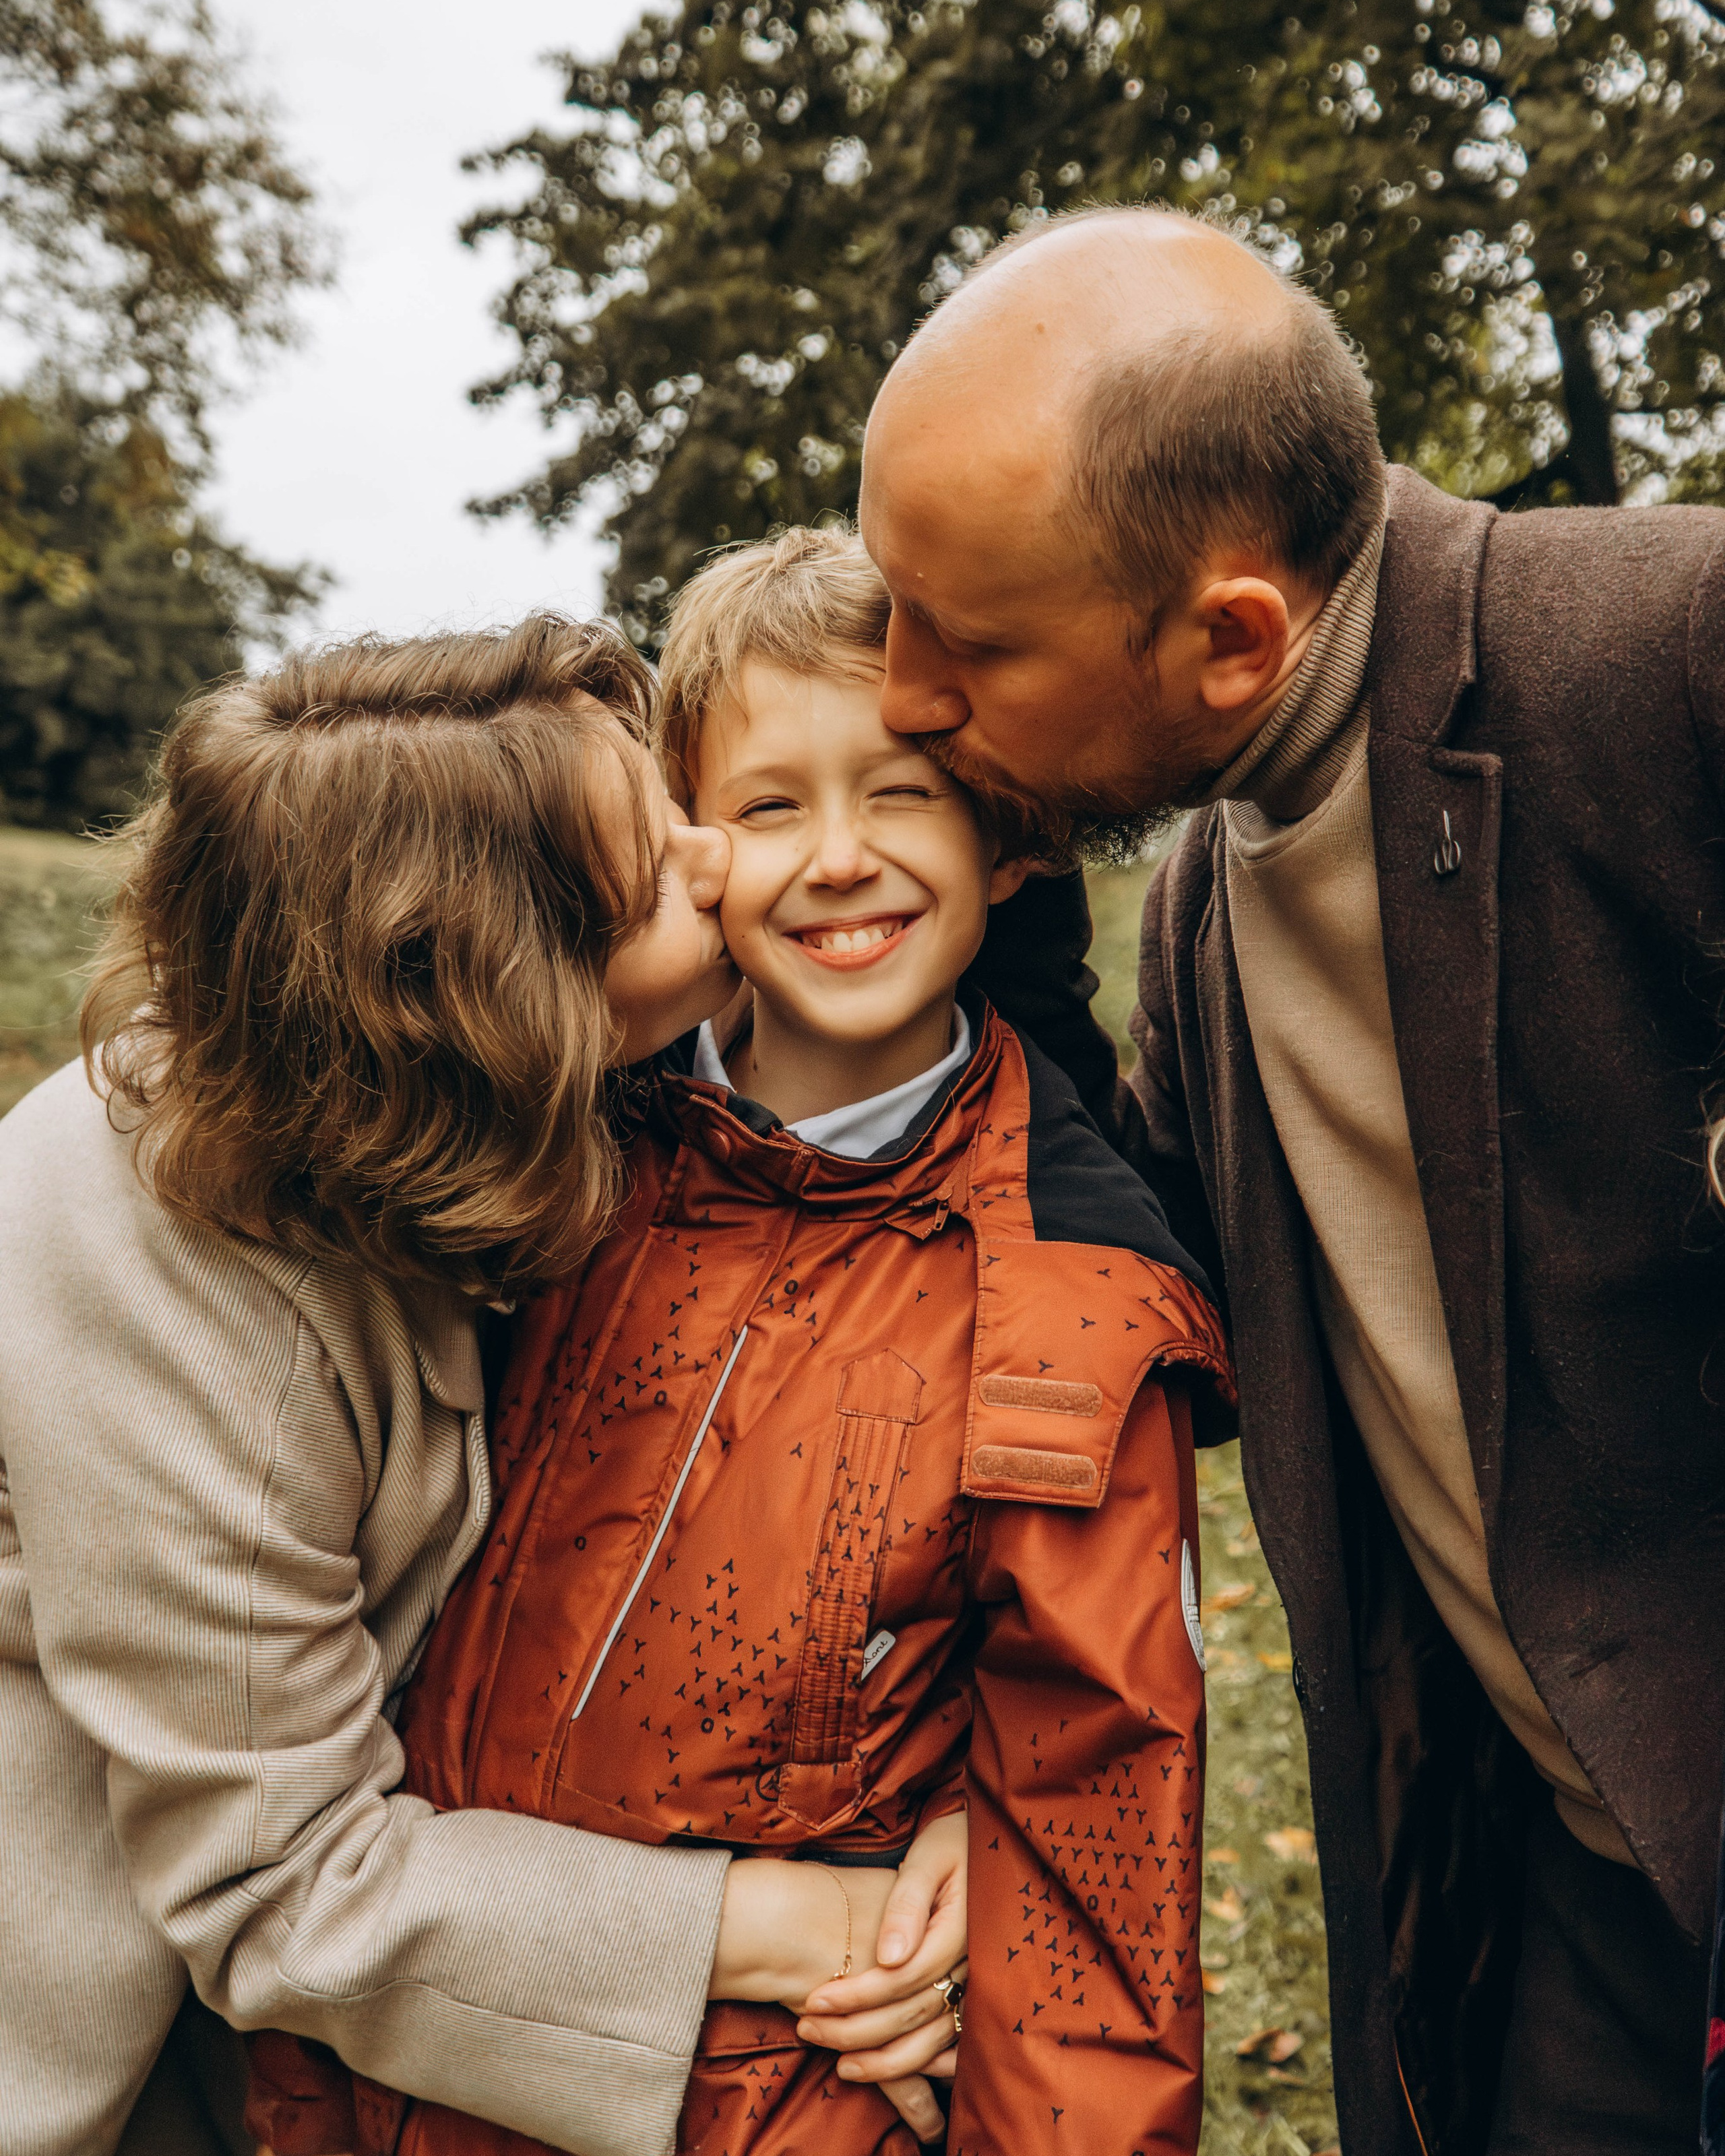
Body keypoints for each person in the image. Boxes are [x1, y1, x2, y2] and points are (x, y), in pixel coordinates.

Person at [858, 206, 1725, 2156]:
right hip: (1558, 1895)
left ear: (1233, 636)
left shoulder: (1670, 648)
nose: (906, 692)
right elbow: (1177, 1307)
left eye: (969, 641)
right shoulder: (1200, 898)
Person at [243, 528, 1232, 2156]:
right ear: (683, 845)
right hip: (399, 2048)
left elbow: (1090, 1862)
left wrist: (976, 1835)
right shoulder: (527, 1162)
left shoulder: (1073, 1310)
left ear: (1007, 843)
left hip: (771, 2102)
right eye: (769, 806)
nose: (836, 857)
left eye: (901, 793)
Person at [0, 616, 968, 2156]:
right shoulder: (167, 1294)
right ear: (501, 997)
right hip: (107, 2044)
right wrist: (810, 1927)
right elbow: (279, 1881)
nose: (720, 856)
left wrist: (973, 1796)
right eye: (657, 872)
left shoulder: (475, 1100)